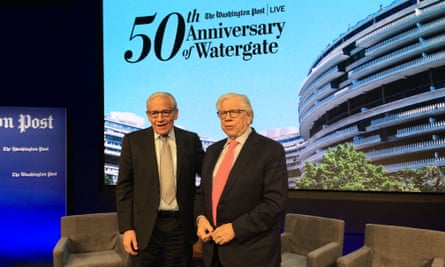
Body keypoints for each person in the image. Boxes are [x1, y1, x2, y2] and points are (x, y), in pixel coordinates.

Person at [194, 92, 288, 267]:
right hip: (213, 253)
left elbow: (275, 204)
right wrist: (200, 219)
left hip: (252, 254)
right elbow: (202, 194)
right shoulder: (213, 151)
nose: (227, 118)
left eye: (234, 112)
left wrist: (235, 229)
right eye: (223, 113)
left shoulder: (270, 150)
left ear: (249, 116)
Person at [116, 91, 204, 267]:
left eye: (166, 112)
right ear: (148, 115)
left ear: (175, 113)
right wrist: (127, 229)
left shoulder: (190, 140)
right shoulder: (133, 141)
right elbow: (124, 187)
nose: (160, 118)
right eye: (154, 113)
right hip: (145, 227)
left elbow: (207, 177)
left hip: (180, 225)